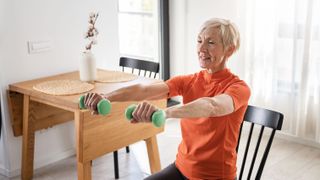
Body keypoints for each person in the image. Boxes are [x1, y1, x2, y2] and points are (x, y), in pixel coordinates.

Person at [83, 18, 250, 180]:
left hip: (215, 177)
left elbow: (212, 105)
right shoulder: (189, 81)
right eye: (199, 41)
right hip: (182, 168)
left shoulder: (238, 88)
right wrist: (107, 97)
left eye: (211, 43)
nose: (202, 48)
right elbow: (145, 89)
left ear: (229, 50)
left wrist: (165, 113)